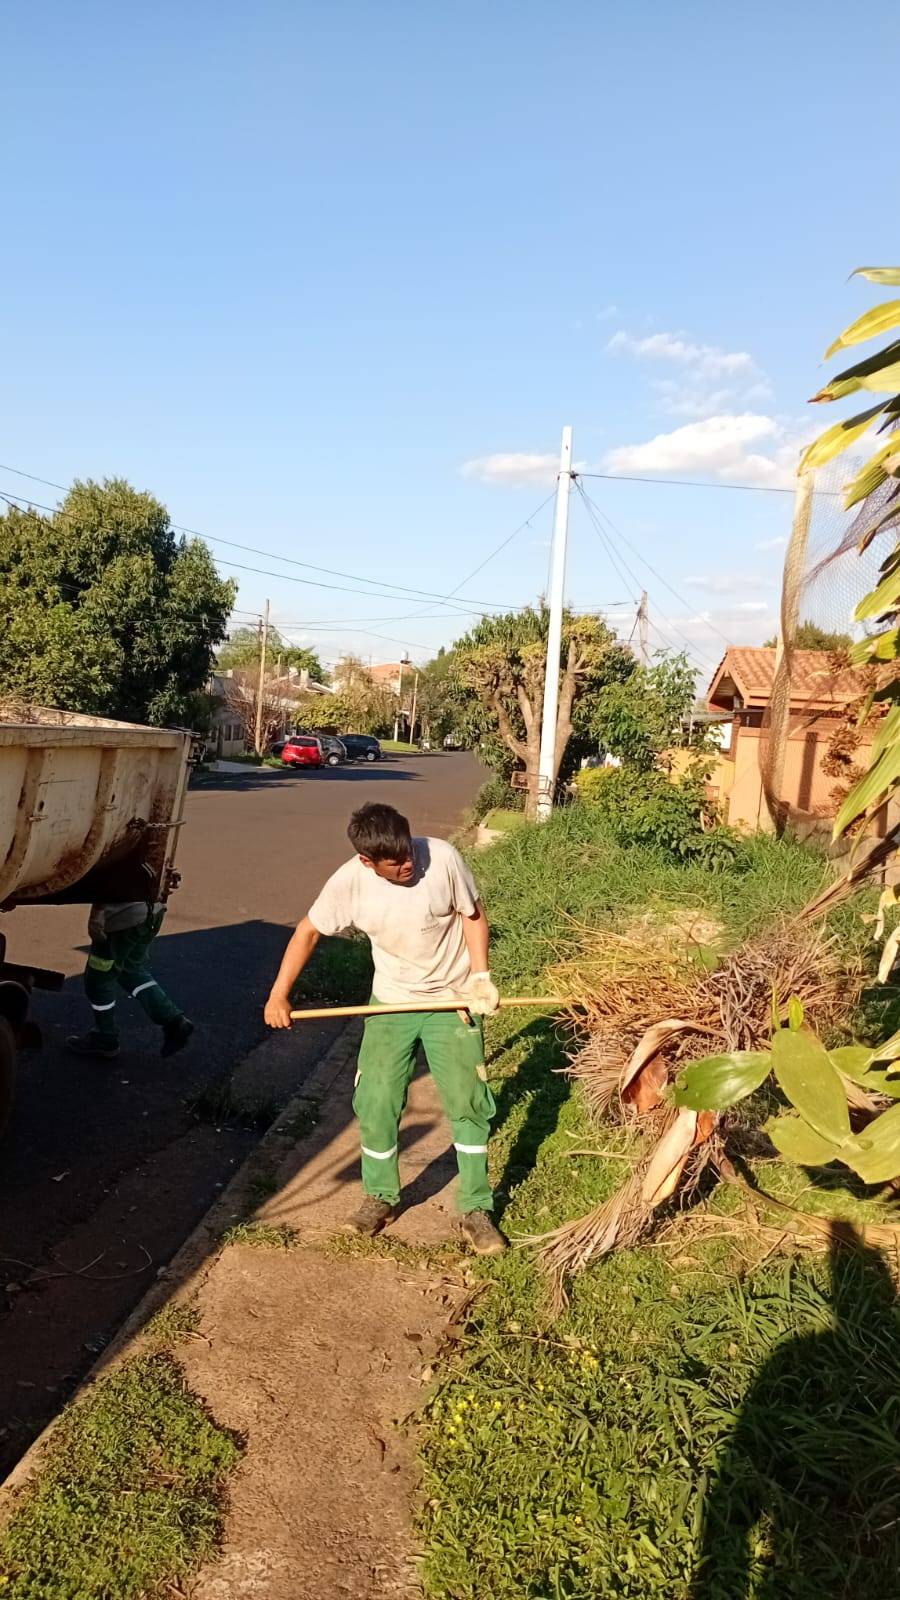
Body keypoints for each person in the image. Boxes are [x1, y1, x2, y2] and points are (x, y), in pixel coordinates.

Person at [264, 802, 506, 1255]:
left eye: (408, 851)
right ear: (367, 861)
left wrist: (480, 977)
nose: (408, 864)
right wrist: (279, 995)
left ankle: (476, 1207)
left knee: (469, 1102)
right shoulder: (349, 884)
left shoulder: (442, 858)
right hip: (391, 1003)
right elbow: (307, 932)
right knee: (376, 1100)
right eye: (395, 862)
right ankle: (380, 1196)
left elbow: (473, 916)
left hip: (451, 1001)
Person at [66, 901, 194, 1061]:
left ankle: (105, 1037)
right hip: (152, 913)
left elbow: (109, 886)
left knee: (98, 980)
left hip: (123, 919)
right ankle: (174, 1021)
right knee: (129, 970)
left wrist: (96, 915)